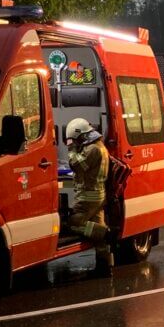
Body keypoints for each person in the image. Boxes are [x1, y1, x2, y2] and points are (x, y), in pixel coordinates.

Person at [65, 118, 113, 275]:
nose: (76, 142)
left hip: (88, 197)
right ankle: (105, 267)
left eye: (75, 139)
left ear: (80, 135)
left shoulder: (92, 149)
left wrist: (71, 148)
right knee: (98, 238)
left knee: (72, 223)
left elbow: (77, 165)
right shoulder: (100, 147)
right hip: (98, 195)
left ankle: (106, 232)